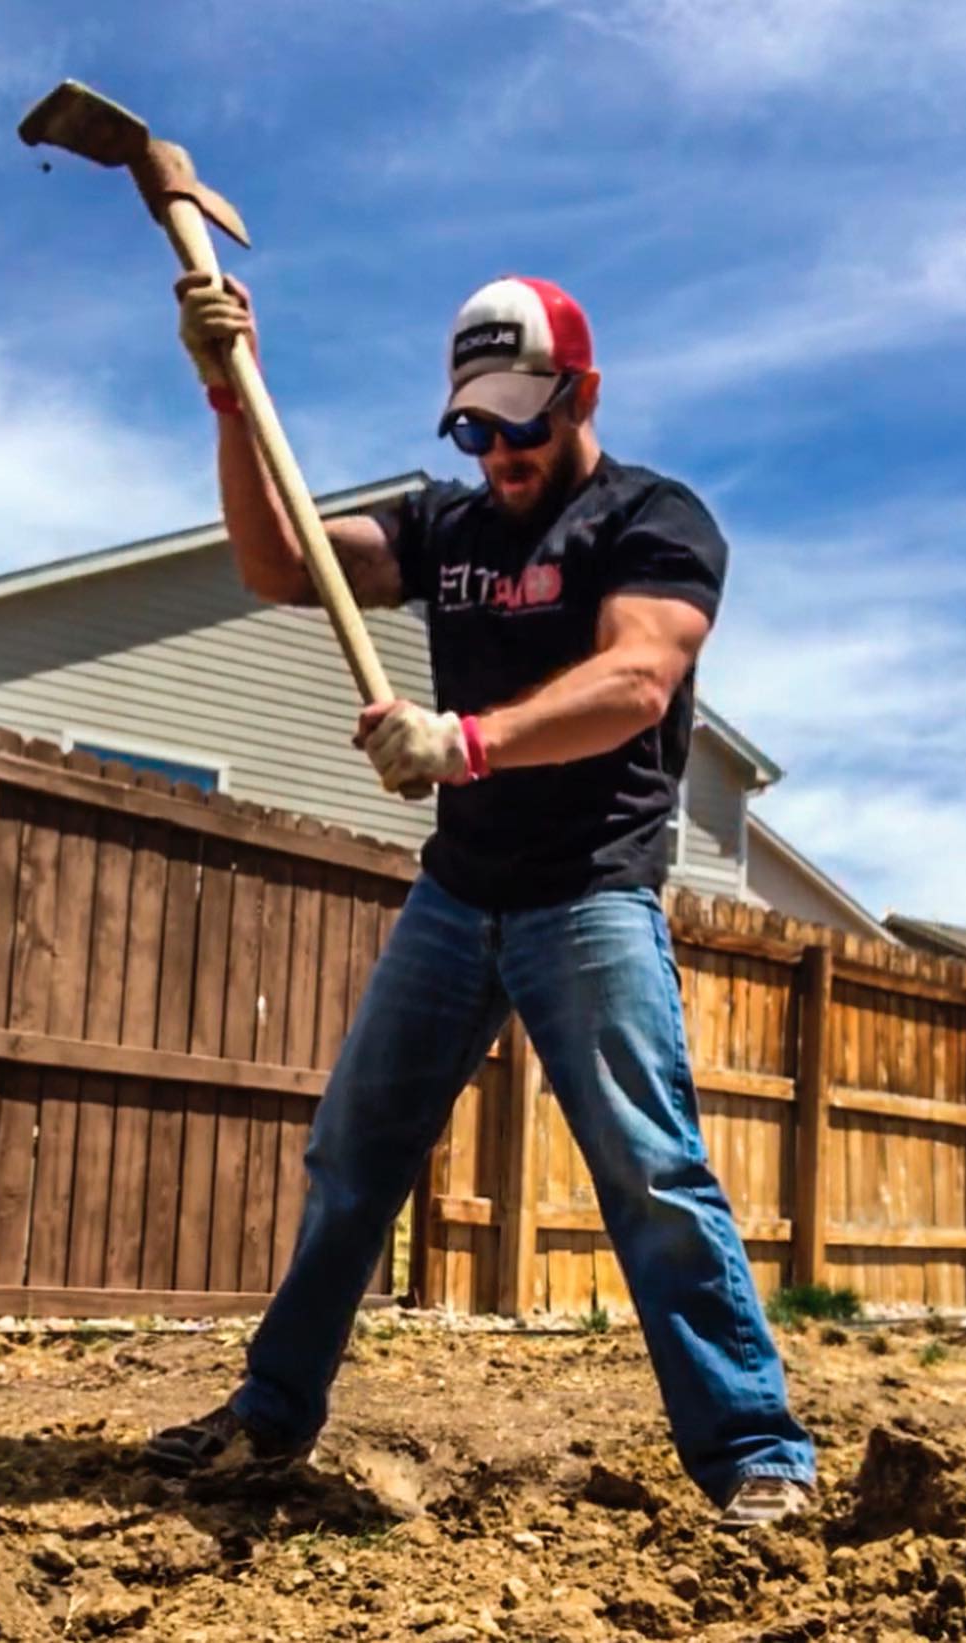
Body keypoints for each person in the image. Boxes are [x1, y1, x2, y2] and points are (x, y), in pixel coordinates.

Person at [144, 271, 817, 1529]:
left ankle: (753, 1450)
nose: (501, 451)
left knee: (650, 1169)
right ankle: (272, 1413)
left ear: (582, 395)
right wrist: (229, 396)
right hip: (457, 898)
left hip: (590, 895)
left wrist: (466, 742)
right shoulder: (445, 530)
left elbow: (636, 678)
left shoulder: (652, 520)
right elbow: (280, 563)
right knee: (353, 1154)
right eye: (474, 426)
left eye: (522, 419)